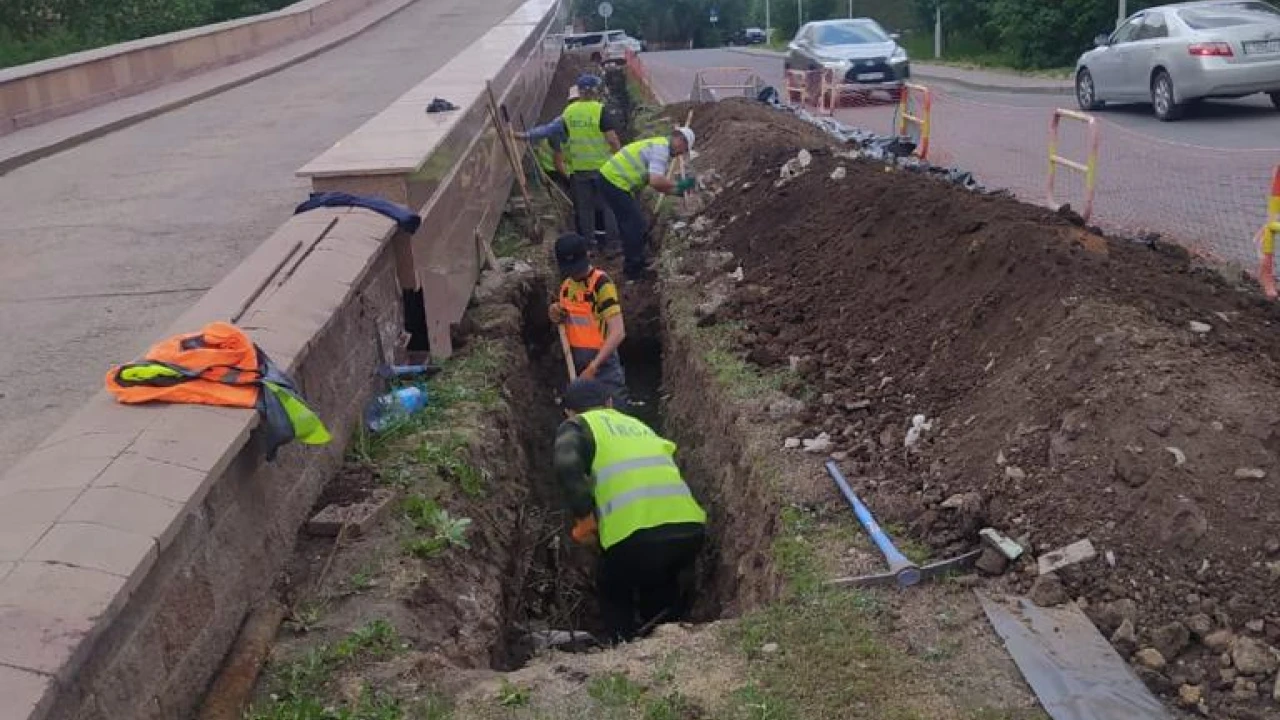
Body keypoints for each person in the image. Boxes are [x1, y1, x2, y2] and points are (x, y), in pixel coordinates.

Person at [555, 377, 707, 643]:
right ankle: (665, 638)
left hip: (634, 537)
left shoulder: (577, 425)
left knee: (612, 586)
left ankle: (620, 646)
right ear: (610, 403)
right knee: (659, 586)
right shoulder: (639, 425)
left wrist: (585, 520)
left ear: (568, 411)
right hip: (688, 531)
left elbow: (567, 466)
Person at [516, 74, 621, 249]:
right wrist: (621, 162)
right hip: (604, 169)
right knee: (608, 206)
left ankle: (589, 246)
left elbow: (548, 130)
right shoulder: (600, 110)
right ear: (596, 91)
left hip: (580, 171)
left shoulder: (569, 112)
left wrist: (523, 136)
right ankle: (612, 245)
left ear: (579, 92)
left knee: (585, 210)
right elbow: (613, 140)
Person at [598, 127, 697, 281]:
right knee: (635, 225)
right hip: (614, 181)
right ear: (680, 141)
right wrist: (679, 185)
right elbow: (656, 181)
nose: (681, 154)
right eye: (684, 150)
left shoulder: (660, 146)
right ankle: (633, 269)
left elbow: (659, 185)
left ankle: (635, 261)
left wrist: (678, 191)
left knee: (631, 224)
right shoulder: (661, 149)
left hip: (613, 180)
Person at [549, 233, 629, 408]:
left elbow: (618, 332)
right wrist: (555, 312)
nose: (576, 274)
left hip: (604, 368)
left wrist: (593, 367)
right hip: (577, 367)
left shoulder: (601, 284)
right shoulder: (566, 287)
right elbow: (567, 320)